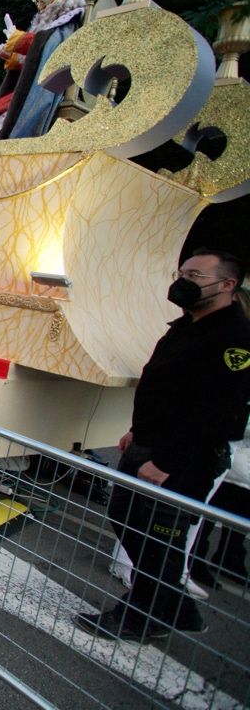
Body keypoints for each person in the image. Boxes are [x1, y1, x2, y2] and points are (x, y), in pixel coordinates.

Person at [76, 249, 250, 641]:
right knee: (127, 518)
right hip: (150, 445)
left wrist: (167, 460)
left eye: (196, 275)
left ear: (227, 285)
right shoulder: (186, 325)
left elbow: (215, 412)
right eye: (183, 272)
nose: (185, 280)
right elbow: (166, 388)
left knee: (156, 539)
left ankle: (139, 617)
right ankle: (179, 608)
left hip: (181, 459)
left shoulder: (233, 338)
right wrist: (138, 431)